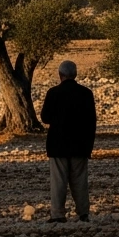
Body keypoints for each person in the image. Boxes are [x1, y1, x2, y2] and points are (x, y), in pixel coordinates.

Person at [39, 59, 96, 222]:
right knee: (80, 180)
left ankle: (57, 214)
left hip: (58, 145)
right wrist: (88, 146)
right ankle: (83, 212)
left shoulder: (53, 93)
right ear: (75, 74)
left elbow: (45, 118)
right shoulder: (86, 93)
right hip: (80, 144)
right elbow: (91, 121)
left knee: (58, 181)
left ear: (60, 75)